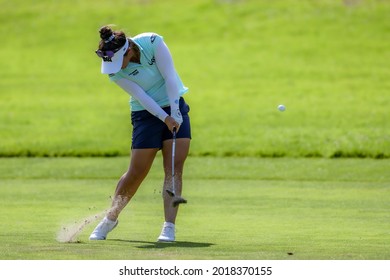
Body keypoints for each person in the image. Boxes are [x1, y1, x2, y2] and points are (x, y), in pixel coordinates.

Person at [89, 25, 191, 242]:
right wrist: (165, 118)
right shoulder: (115, 72)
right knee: (137, 171)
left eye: (118, 61)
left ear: (127, 51)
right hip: (145, 114)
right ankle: (111, 218)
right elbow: (141, 96)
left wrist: (175, 112)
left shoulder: (152, 42)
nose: (116, 68)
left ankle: (168, 227)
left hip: (174, 104)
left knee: (174, 168)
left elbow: (170, 77)